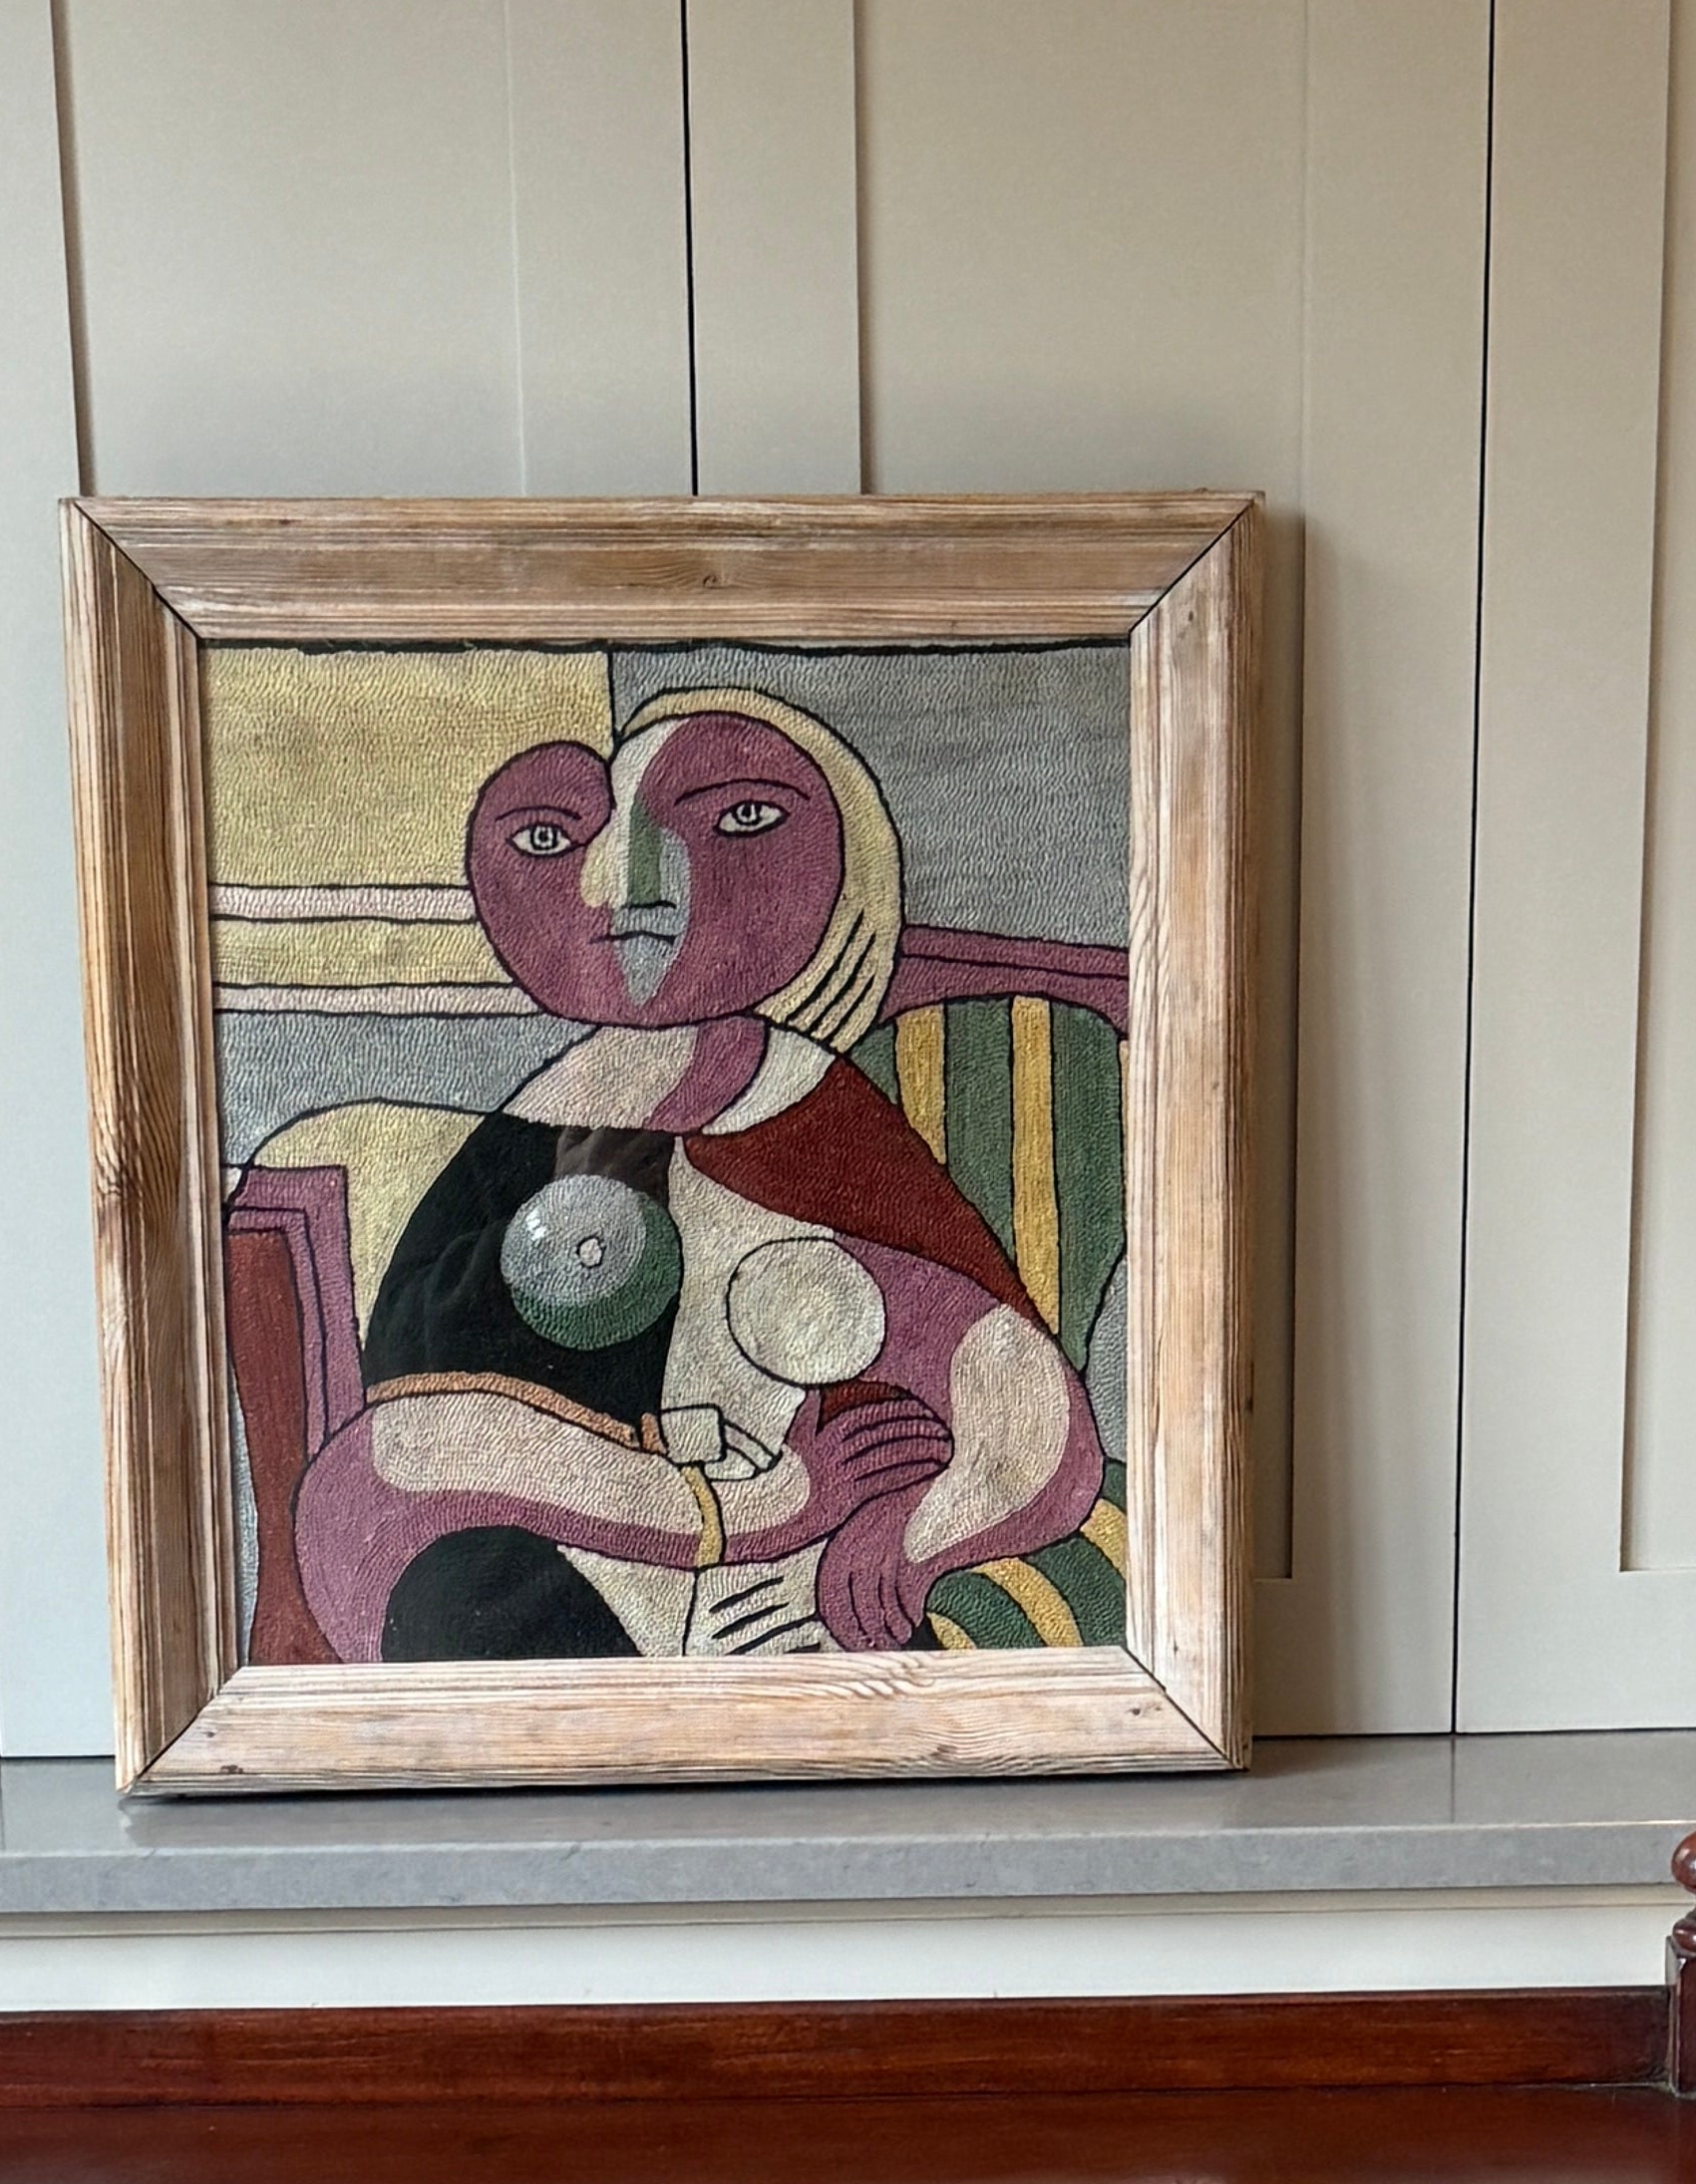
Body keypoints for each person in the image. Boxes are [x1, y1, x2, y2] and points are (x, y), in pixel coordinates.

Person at [274, 692, 1102, 1664]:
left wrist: (908, 1539)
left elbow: (1024, 1410)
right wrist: (746, 1503)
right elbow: (408, 1418)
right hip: (578, 1555)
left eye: (740, 819)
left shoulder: (810, 1114)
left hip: (784, 1598)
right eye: (553, 838)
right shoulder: (542, 1118)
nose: (634, 889)